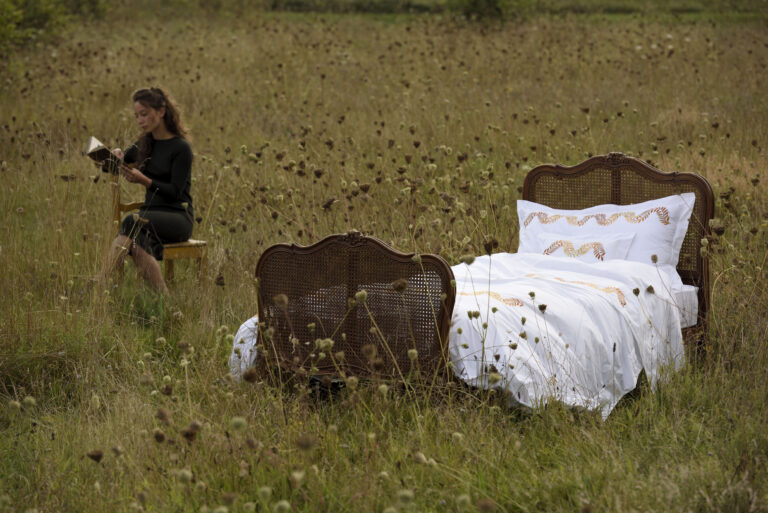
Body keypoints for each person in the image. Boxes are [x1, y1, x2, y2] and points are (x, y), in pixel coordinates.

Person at [102, 87, 194, 293]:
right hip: (150, 220)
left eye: (144, 114)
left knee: (132, 221)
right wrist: (114, 155)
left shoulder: (181, 148)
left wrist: (145, 181)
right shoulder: (146, 143)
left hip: (179, 217)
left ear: (161, 111)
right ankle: (165, 301)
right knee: (133, 242)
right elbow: (112, 164)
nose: (140, 120)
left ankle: (101, 284)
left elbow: (175, 193)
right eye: (137, 116)